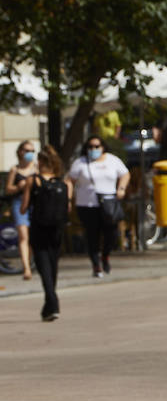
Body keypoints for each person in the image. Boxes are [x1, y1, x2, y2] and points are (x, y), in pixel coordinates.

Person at [65, 136, 130, 278]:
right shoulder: (80, 162)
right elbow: (69, 180)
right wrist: (68, 199)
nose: (93, 150)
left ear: (103, 147)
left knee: (111, 233)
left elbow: (125, 174)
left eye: (96, 146)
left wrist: (121, 188)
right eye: (90, 147)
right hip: (87, 204)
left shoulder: (112, 160)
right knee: (92, 234)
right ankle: (96, 264)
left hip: (108, 203)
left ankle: (105, 256)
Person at [20, 145, 67, 321]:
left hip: (39, 228)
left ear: (40, 162)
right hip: (57, 229)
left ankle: (52, 301)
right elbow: (67, 208)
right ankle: (49, 306)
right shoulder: (63, 182)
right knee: (53, 265)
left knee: (43, 266)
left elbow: (24, 208)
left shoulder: (33, 180)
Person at [5, 140, 38, 280]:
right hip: (19, 204)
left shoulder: (37, 168)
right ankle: (26, 268)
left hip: (35, 204)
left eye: (32, 151)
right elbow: (8, 190)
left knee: (34, 237)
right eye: (26, 150)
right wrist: (19, 187)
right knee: (24, 236)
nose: (29, 153)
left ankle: (33, 262)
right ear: (20, 152)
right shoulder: (15, 169)